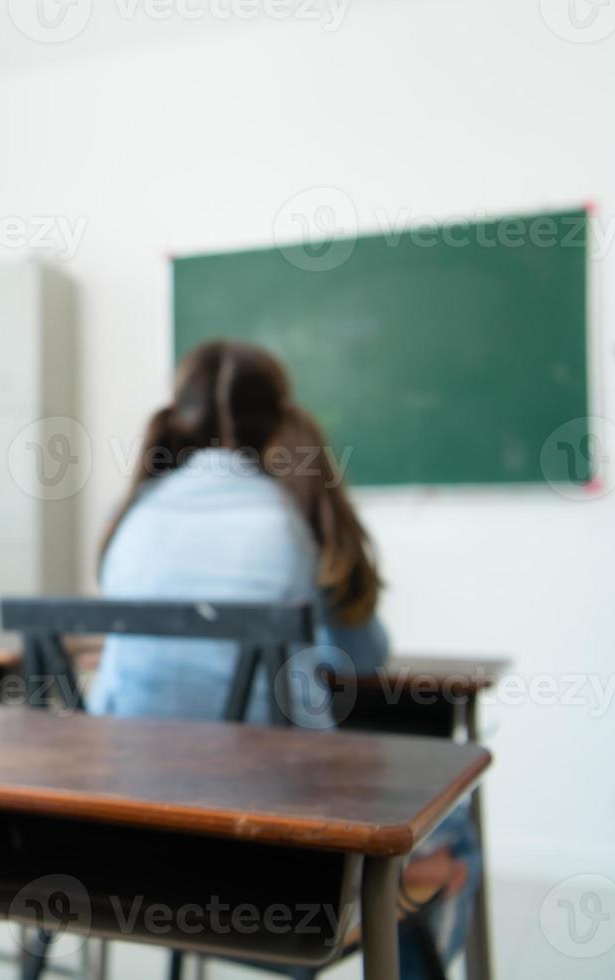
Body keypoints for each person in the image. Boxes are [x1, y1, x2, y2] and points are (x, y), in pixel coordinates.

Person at [88, 338, 479, 979]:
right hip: (275, 865)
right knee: (455, 829)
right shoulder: (290, 515)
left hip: (123, 849)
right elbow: (363, 662)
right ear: (277, 420)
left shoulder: (131, 515)